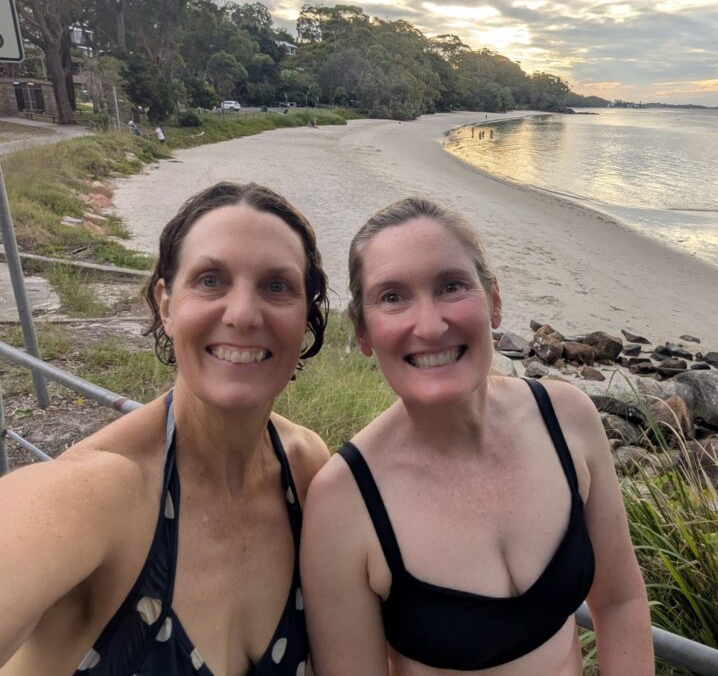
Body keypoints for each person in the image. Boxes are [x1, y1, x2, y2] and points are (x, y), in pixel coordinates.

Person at [302, 198, 653, 675]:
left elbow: (620, 602)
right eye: (392, 297)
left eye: (451, 286)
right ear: (363, 333)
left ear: (493, 301)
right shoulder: (343, 502)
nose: (429, 325)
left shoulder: (568, 419)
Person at [0, 182, 331, 674]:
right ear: (166, 303)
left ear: (306, 317)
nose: (242, 314)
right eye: (211, 280)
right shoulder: (94, 495)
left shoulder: (306, 468)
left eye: (277, 286)